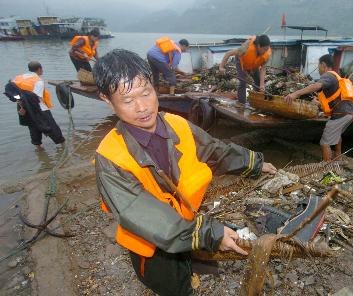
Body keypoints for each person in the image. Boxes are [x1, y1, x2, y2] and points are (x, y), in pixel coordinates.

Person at [93, 49, 277, 296]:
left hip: (188, 224)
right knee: (174, 288)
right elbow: (142, 213)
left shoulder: (177, 125)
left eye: (146, 92)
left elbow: (215, 150)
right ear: (107, 99)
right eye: (127, 101)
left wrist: (254, 163)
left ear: (153, 85)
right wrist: (208, 232)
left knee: (190, 269)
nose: (142, 107)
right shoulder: (110, 157)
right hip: (154, 245)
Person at [284, 54, 353, 161]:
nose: (318, 69)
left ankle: (327, 170)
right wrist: (318, 103)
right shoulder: (336, 76)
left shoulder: (328, 75)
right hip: (350, 113)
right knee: (336, 135)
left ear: (323, 65)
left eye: (318, 66)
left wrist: (296, 94)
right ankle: (338, 158)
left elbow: (316, 86)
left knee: (324, 142)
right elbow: (333, 99)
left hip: (341, 114)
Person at [8, 61, 65, 148]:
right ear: (39, 69)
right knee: (52, 128)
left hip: (24, 108)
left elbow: (14, 93)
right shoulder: (38, 81)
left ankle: (39, 150)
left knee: (33, 128)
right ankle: (63, 146)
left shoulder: (18, 78)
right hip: (39, 108)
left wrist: (21, 107)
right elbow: (37, 98)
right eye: (42, 69)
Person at [219, 35, 272, 104]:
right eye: (265, 49)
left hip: (254, 64)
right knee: (243, 82)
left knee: (259, 83)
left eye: (267, 49)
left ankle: (257, 101)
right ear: (259, 46)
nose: (266, 51)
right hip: (241, 61)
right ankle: (241, 103)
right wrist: (221, 67)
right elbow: (228, 53)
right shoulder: (245, 48)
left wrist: (262, 84)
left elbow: (263, 68)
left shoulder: (266, 53)